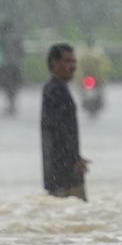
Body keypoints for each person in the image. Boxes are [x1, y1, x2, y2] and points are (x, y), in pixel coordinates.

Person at [41, 42, 89, 199]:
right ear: (54, 63)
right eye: (67, 61)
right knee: (75, 214)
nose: (72, 66)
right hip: (64, 174)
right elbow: (60, 130)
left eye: (74, 62)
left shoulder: (57, 88)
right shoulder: (56, 90)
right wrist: (73, 160)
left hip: (62, 170)